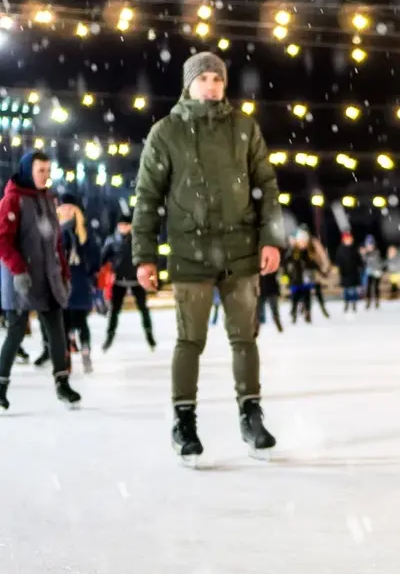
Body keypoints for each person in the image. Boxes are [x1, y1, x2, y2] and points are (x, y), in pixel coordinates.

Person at [132, 51, 285, 464]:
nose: (212, 86)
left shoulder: (244, 128)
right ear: (189, 84)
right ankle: (184, 422)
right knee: (190, 340)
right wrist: (144, 255)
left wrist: (271, 239)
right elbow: (147, 197)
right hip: (190, 250)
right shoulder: (166, 133)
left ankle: (251, 415)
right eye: (204, 79)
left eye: (218, 79)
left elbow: (266, 187)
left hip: (240, 249)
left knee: (244, 338)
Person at [0, 151, 81, 410]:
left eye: (48, 170)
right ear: (28, 171)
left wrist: (64, 273)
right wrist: (18, 270)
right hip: (21, 278)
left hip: (48, 276)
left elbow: (56, 242)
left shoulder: (48, 198)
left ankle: (62, 383)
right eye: (41, 171)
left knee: (57, 330)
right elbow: (2, 240)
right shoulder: (12, 200)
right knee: (15, 332)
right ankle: (0, 386)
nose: (46, 176)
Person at [100, 213, 156, 350]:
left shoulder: (138, 240)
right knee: (114, 311)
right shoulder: (112, 240)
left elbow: (147, 257)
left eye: (125, 225)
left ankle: (150, 336)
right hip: (118, 281)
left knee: (144, 309)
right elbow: (102, 259)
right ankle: (109, 336)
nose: (123, 227)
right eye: (120, 225)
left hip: (137, 280)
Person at [58, 196, 100, 374]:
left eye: (71, 208)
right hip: (61, 281)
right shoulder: (54, 230)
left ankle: (85, 351)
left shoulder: (84, 231)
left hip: (80, 280)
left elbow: (94, 255)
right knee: (64, 322)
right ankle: (66, 357)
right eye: (64, 207)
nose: (67, 211)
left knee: (81, 320)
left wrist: (92, 272)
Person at [334, 231, 364, 314]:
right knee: (346, 290)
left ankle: (354, 303)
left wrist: (361, 265)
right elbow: (338, 261)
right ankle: (346, 303)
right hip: (345, 273)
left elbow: (359, 260)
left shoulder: (354, 249)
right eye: (346, 239)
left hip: (353, 272)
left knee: (354, 289)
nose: (348, 241)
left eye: (349, 239)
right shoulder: (340, 249)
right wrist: (338, 268)